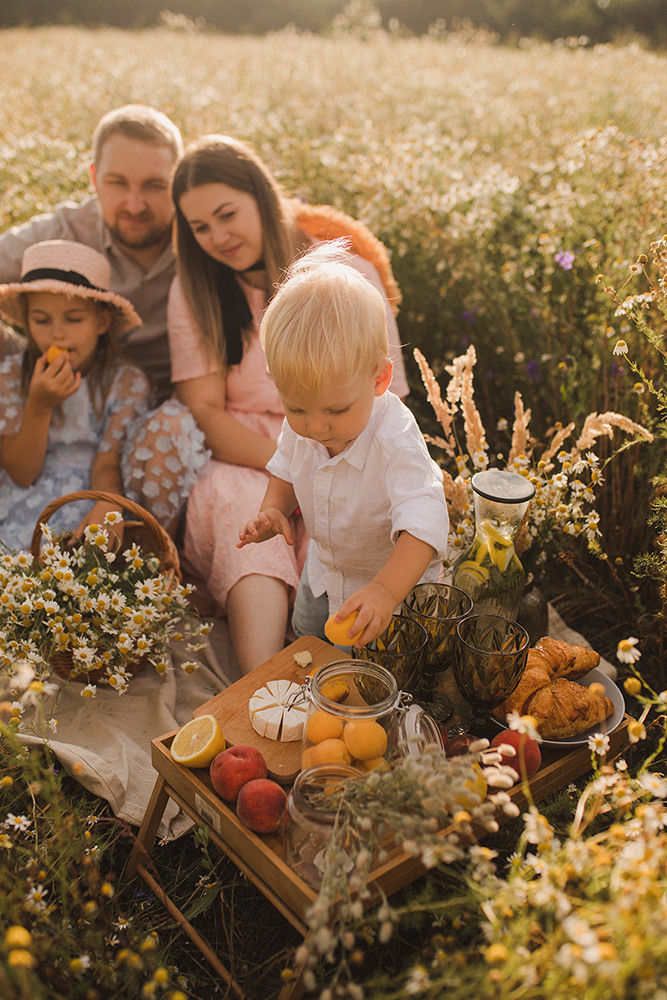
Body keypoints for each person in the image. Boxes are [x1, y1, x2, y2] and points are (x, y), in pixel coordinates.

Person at [168, 134, 410, 673]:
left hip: (349, 442)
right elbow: (204, 412)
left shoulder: (350, 276)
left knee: (343, 545)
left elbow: (385, 400)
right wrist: (291, 474)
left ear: (262, 196)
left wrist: (326, 462)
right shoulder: (195, 290)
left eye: (227, 214)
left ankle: (341, 683)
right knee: (246, 520)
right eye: (200, 227)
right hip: (246, 452)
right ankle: (260, 680)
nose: (217, 237)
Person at [0, 105, 207, 531]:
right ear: (94, 179)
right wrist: (17, 356)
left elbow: (264, 239)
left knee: (172, 429)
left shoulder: (203, 234)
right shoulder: (64, 231)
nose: (135, 204)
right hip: (51, 401)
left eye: (154, 186)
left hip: (152, 410)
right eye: (117, 183)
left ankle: (148, 554)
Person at [238, 240, 449, 650]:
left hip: (391, 587)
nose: (316, 427)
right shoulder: (307, 422)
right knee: (308, 645)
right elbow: (284, 468)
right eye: (296, 408)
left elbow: (425, 524)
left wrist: (386, 592)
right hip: (325, 571)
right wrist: (273, 509)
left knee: (385, 667)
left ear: (379, 380)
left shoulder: (394, 438)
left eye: (336, 410)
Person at [0, 240, 150, 550]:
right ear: (26, 321)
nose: (57, 334)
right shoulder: (11, 377)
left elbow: (107, 463)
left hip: (89, 495)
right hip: (24, 500)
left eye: (73, 319)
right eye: (41, 320)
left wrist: (107, 504)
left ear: (102, 321)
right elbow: (20, 473)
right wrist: (39, 406)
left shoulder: (125, 382)